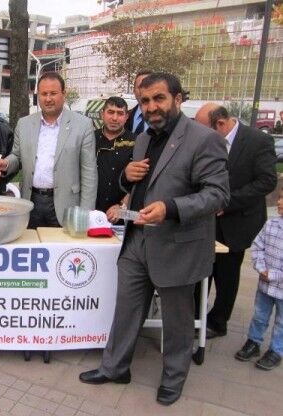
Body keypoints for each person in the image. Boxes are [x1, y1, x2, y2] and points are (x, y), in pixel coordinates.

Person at [79, 73, 229, 406]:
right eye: (145, 101)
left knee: (176, 321)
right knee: (126, 310)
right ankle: (115, 368)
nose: (151, 107)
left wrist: (171, 208)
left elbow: (218, 194)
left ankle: (173, 379)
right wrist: (125, 177)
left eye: (159, 98)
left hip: (177, 244)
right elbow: (139, 185)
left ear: (178, 99)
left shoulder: (204, 139)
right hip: (137, 239)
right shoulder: (144, 139)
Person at [194, 103, 278, 339]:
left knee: (227, 275)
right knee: (201, 271)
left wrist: (227, 203)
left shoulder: (258, 141)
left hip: (236, 222)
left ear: (220, 124)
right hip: (206, 220)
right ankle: (195, 318)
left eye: (203, 129)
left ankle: (218, 322)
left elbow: (266, 181)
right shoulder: (208, 142)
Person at [0, 72, 97, 228]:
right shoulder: (24, 124)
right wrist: (6, 163)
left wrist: (85, 213)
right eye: (44, 94)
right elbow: (17, 155)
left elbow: (89, 173)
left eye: (53, 93)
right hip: (31, 201)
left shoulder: (83, 125)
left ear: (63, 94)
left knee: (62, 244)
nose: (48, 99)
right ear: (38, 96)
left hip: (66, 205)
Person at [234, 188, 282, 370]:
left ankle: (276, 350)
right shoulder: (271, 224)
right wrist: (261, 268)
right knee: (259, 315)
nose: (279, 202)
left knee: (281, 323)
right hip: (265, 286)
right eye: (280, 197)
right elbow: (257, 245)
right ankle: (253, 342)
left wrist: (273, 275)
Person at [94, 96, 135, 223]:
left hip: (122, 217)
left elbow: (142, 184)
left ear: (127, 117)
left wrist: (122, 207)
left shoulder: (137, 142)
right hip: (91, 214)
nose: (115, 118)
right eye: (110, 112)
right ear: (102, 114)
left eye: (120, 113)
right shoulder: (90, 139)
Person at [125, 70, 151, 136]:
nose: (143, 91)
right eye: (140, 87)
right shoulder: (125, 117)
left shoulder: (166, 118)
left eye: (148, 86)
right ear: (134, 90)